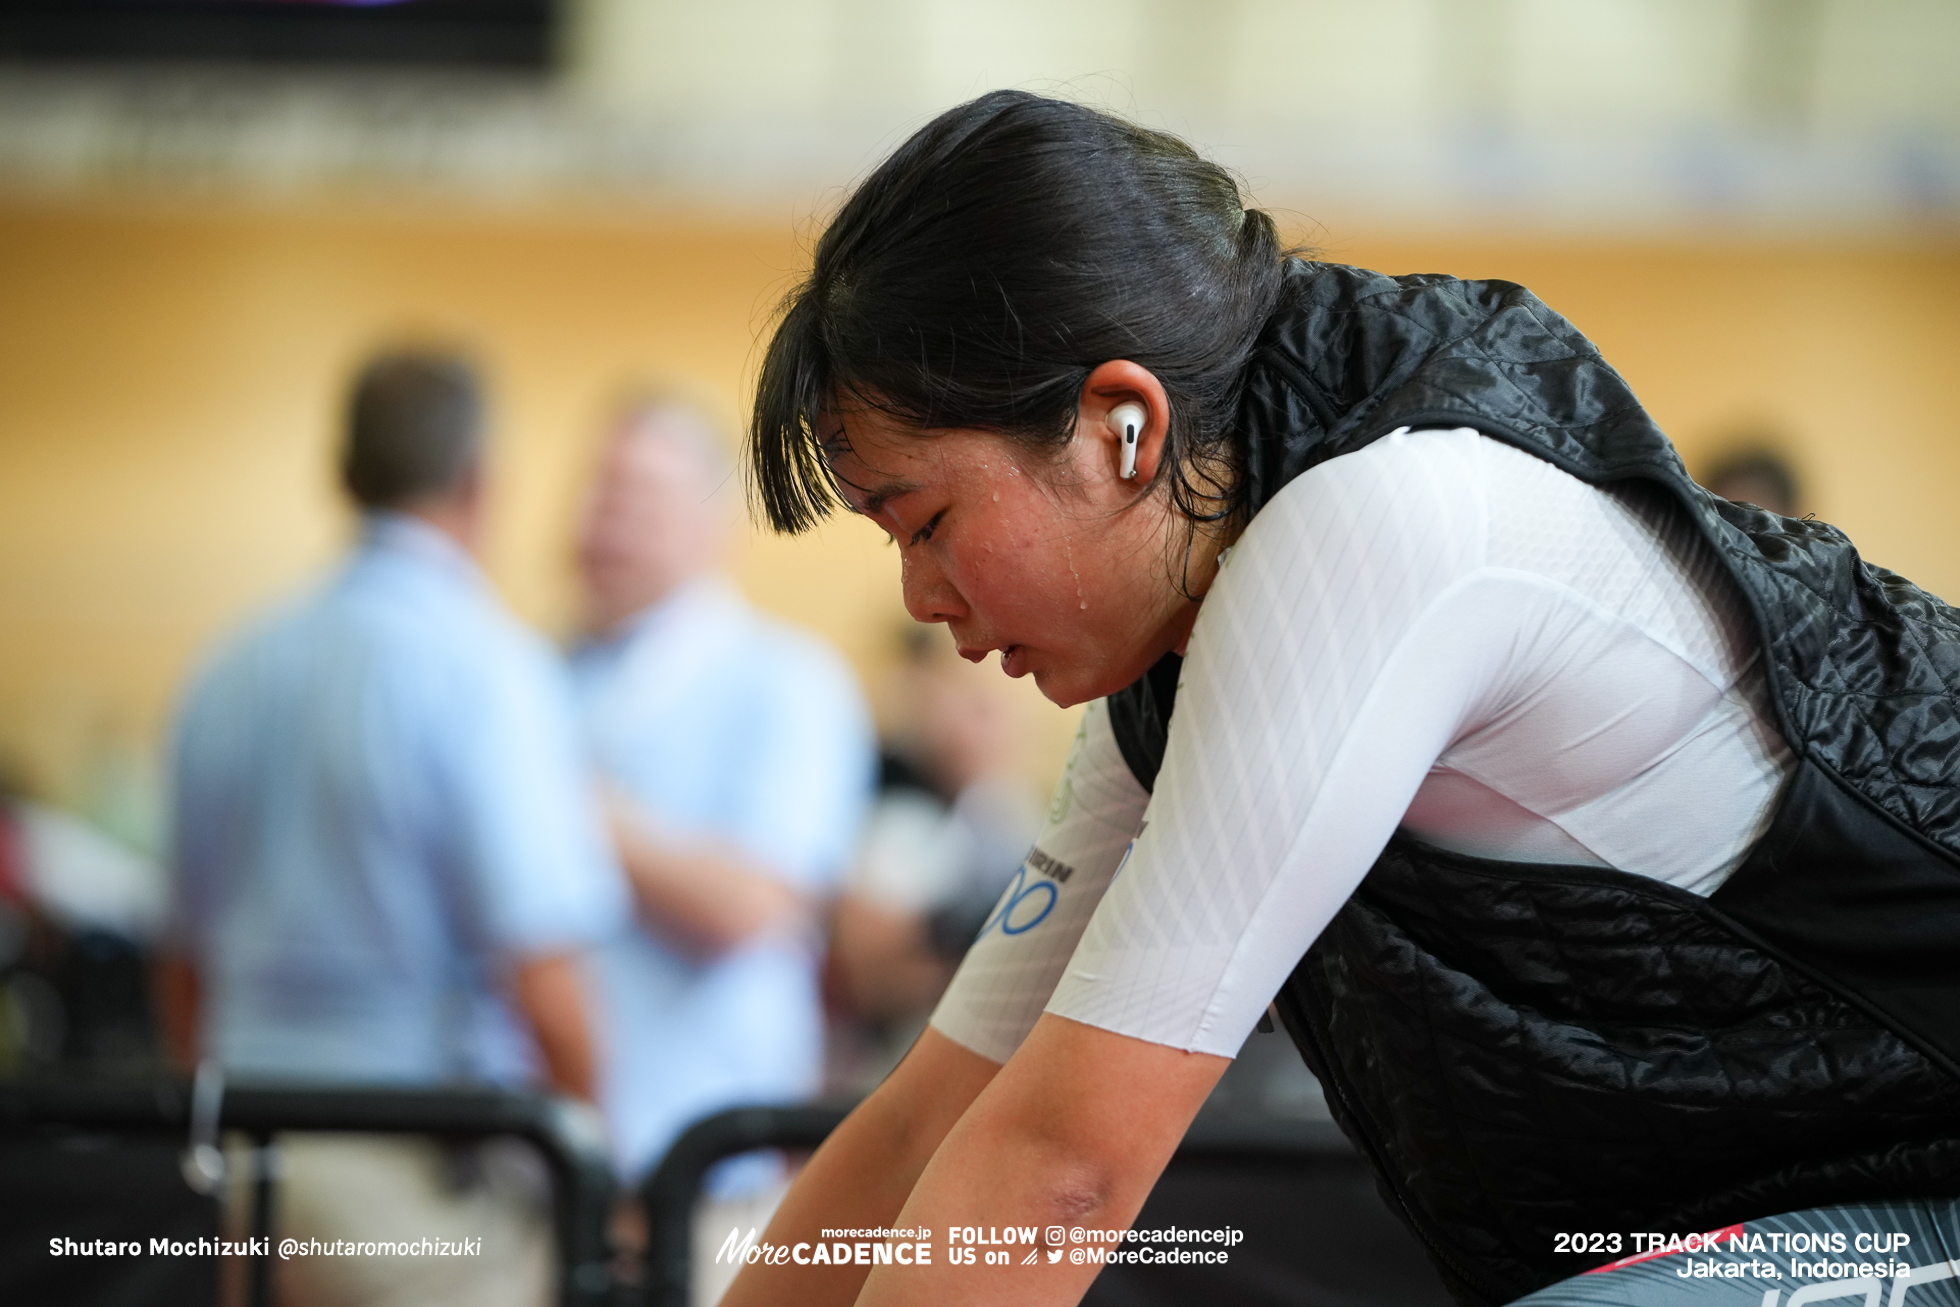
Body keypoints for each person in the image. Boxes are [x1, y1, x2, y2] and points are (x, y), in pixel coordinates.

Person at [720, 92, 1960, 1307]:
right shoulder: (1182, 634)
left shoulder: (1379, 526)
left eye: (925, 521)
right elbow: (929, 1119)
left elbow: (1061, 1177)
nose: (919, 596)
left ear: (1120, 429)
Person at [161, 350, 628, 1307]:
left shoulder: (230, 665)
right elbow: (544, 974)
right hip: (411, 1178)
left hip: (253, 1161)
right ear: (478, 480)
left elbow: (180, 960)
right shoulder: (483, 664)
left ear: (344, 474)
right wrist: (598, 1171)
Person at [567, 396, 875, 1190]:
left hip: (709, 1155)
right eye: (597, 492)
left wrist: (564, 804)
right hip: (547, 1159)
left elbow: (754, 903)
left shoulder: (788, 683)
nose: (605, 523)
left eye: (638, 498)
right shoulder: (539, 677)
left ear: (714, 527)